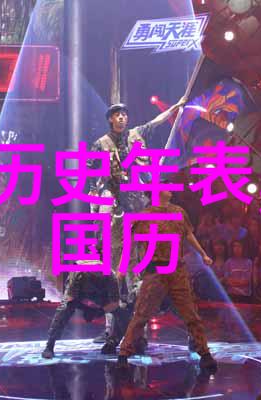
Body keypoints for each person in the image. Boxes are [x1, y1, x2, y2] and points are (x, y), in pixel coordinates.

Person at [88, 98, 186, 343]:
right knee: (112, 271)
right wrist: (95, 200)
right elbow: (91, 174)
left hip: (135, 206)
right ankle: (111, 329)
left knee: (137, 269)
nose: (122, 117)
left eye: (124, 114)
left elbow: (156, 122)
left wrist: (176, 106)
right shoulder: (101, 144)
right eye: (117, 114)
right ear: (110, 119)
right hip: (114, 207)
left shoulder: (136, 135)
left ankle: (138, 329)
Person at [116, 189, 218, 373]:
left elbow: (188, 234)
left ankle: (205, 353)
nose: (170, 189)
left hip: (177, 270)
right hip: (156, 270)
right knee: (141, 314)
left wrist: (203, 254)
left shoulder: (178, 212)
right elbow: (130, 241)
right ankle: (124, 353)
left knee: (191, 314)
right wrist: (123, 266)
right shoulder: (144, 216)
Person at [41, 259, 132, 359]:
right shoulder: (78, 273)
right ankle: (50, 345)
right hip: (80, 296)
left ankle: (113, 342)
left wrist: (99, 312)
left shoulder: (110, 276)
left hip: (100, 297)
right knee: (64, 309)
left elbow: (115, 303)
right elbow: (71, 298)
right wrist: (87, 308)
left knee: (122, 310)